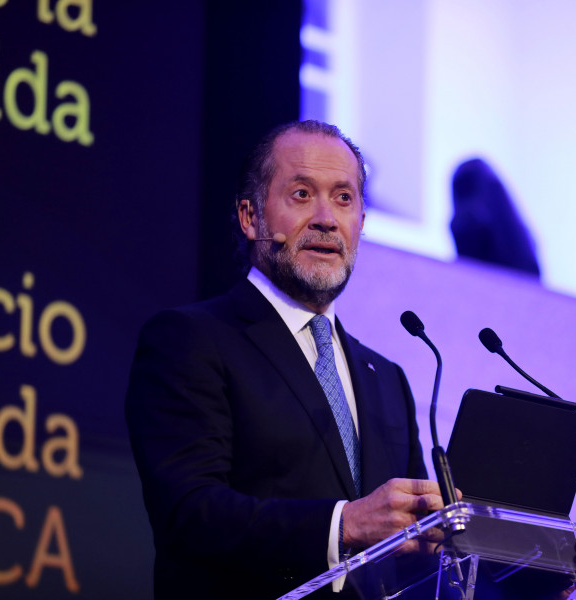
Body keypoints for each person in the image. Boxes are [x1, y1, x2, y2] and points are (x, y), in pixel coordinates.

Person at [124, 120, 448, 599]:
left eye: (344, 198)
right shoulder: (190, 340)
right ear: (250, 216)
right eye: (301, 194)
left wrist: (519, 571)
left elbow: (410, 558)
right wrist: (344, 525)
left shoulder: (387, 379)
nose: (326, 219)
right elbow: (189, 514)